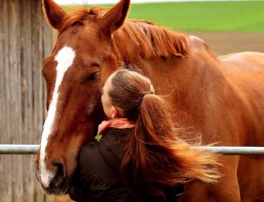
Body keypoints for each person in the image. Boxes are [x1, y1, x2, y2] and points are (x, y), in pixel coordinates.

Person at [69, 69, 220, 202]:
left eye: (103, 93)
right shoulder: (172, 151)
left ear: (114, 111)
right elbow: (176, 192)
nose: (101, 97)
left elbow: (78, 194)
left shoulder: (87, 156)